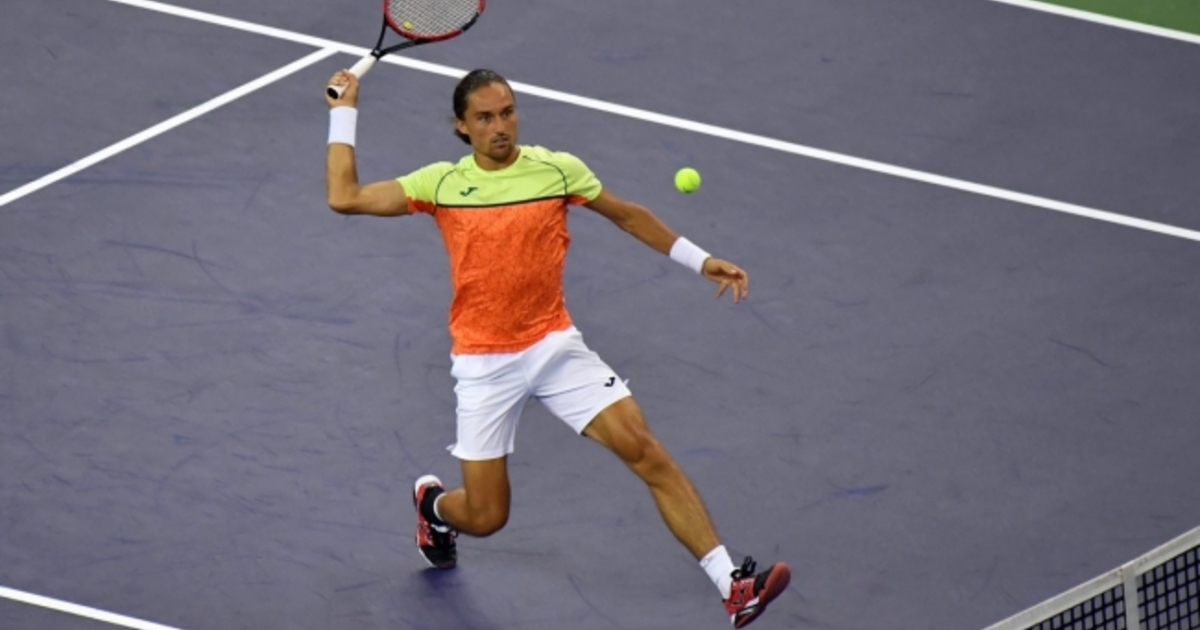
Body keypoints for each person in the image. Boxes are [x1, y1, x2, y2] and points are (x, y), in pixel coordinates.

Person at [324, 67, 790, 628]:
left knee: (645, 450)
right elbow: (344, 197)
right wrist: (343, 111)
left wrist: (700, 259)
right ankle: (434, 507)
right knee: (487, 516)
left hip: (553, 346)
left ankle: (732, 584)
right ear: (462, 126)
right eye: (485, 118)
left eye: (507, 112)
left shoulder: (557, 170)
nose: (500, 126)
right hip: (484, 364)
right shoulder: (440, 184)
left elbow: (627, 215)